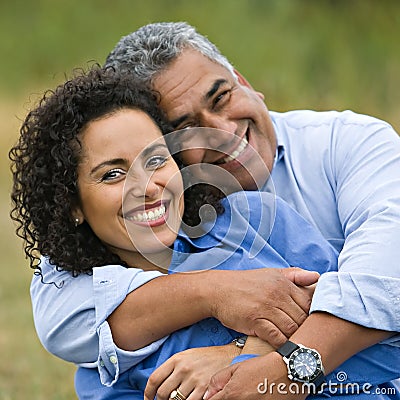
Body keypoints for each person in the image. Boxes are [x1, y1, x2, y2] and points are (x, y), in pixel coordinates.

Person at [22, 21, 400, 398]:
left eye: (220, 97)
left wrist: (257, 359)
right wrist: (218, 293)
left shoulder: (333, 156)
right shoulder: (104, 344)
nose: (219, 130)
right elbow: (61, 320)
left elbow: (381, 308)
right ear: (71, 204)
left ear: (244, 82)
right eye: (113, 174)